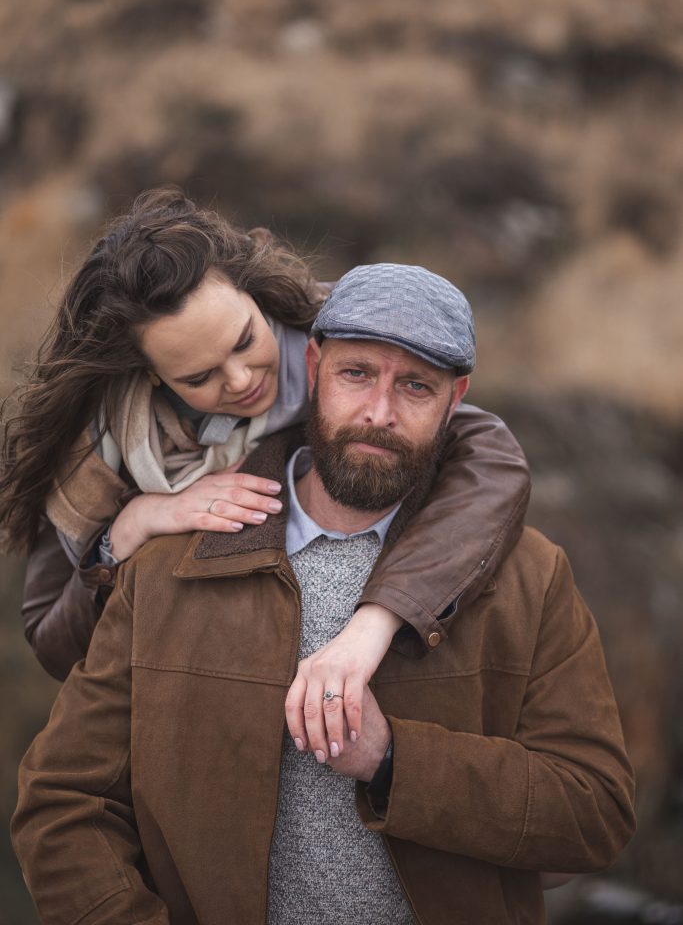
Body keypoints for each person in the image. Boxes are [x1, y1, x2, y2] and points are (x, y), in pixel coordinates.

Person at [12, 263, 635, 925]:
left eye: (415, 387)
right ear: (311, 366)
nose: (378, 413)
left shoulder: (530, 577)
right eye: (356, 373)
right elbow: (64, 803)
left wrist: (392, 759)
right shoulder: (169, 565)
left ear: (456, 401)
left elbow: (593, 811)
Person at [0, 187, 530, 754]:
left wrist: (377, 621)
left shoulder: (345, 343)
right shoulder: (94, 446)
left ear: (255, 295)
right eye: (199, 378)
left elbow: (492, 458)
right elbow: (54, 645)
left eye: (245, 341)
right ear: (149, 376)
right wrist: (128, 527)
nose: (240, 381)